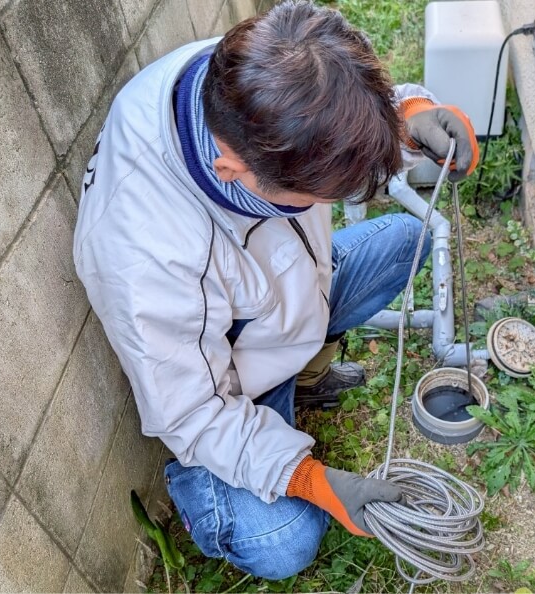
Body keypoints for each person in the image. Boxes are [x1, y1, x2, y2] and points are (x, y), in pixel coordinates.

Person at [73, 0, 478, 579]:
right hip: (229, 389)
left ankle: (304, 374)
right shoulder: (145, 255)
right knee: (284, 541)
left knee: (404, 241)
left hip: (282, 297)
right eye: (320, 194)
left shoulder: (251, 76)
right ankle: (204, 494)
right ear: (233, 172)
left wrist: (411, 117)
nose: (332, 201)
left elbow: (344, 111)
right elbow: (194, 412)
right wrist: (311, 479)